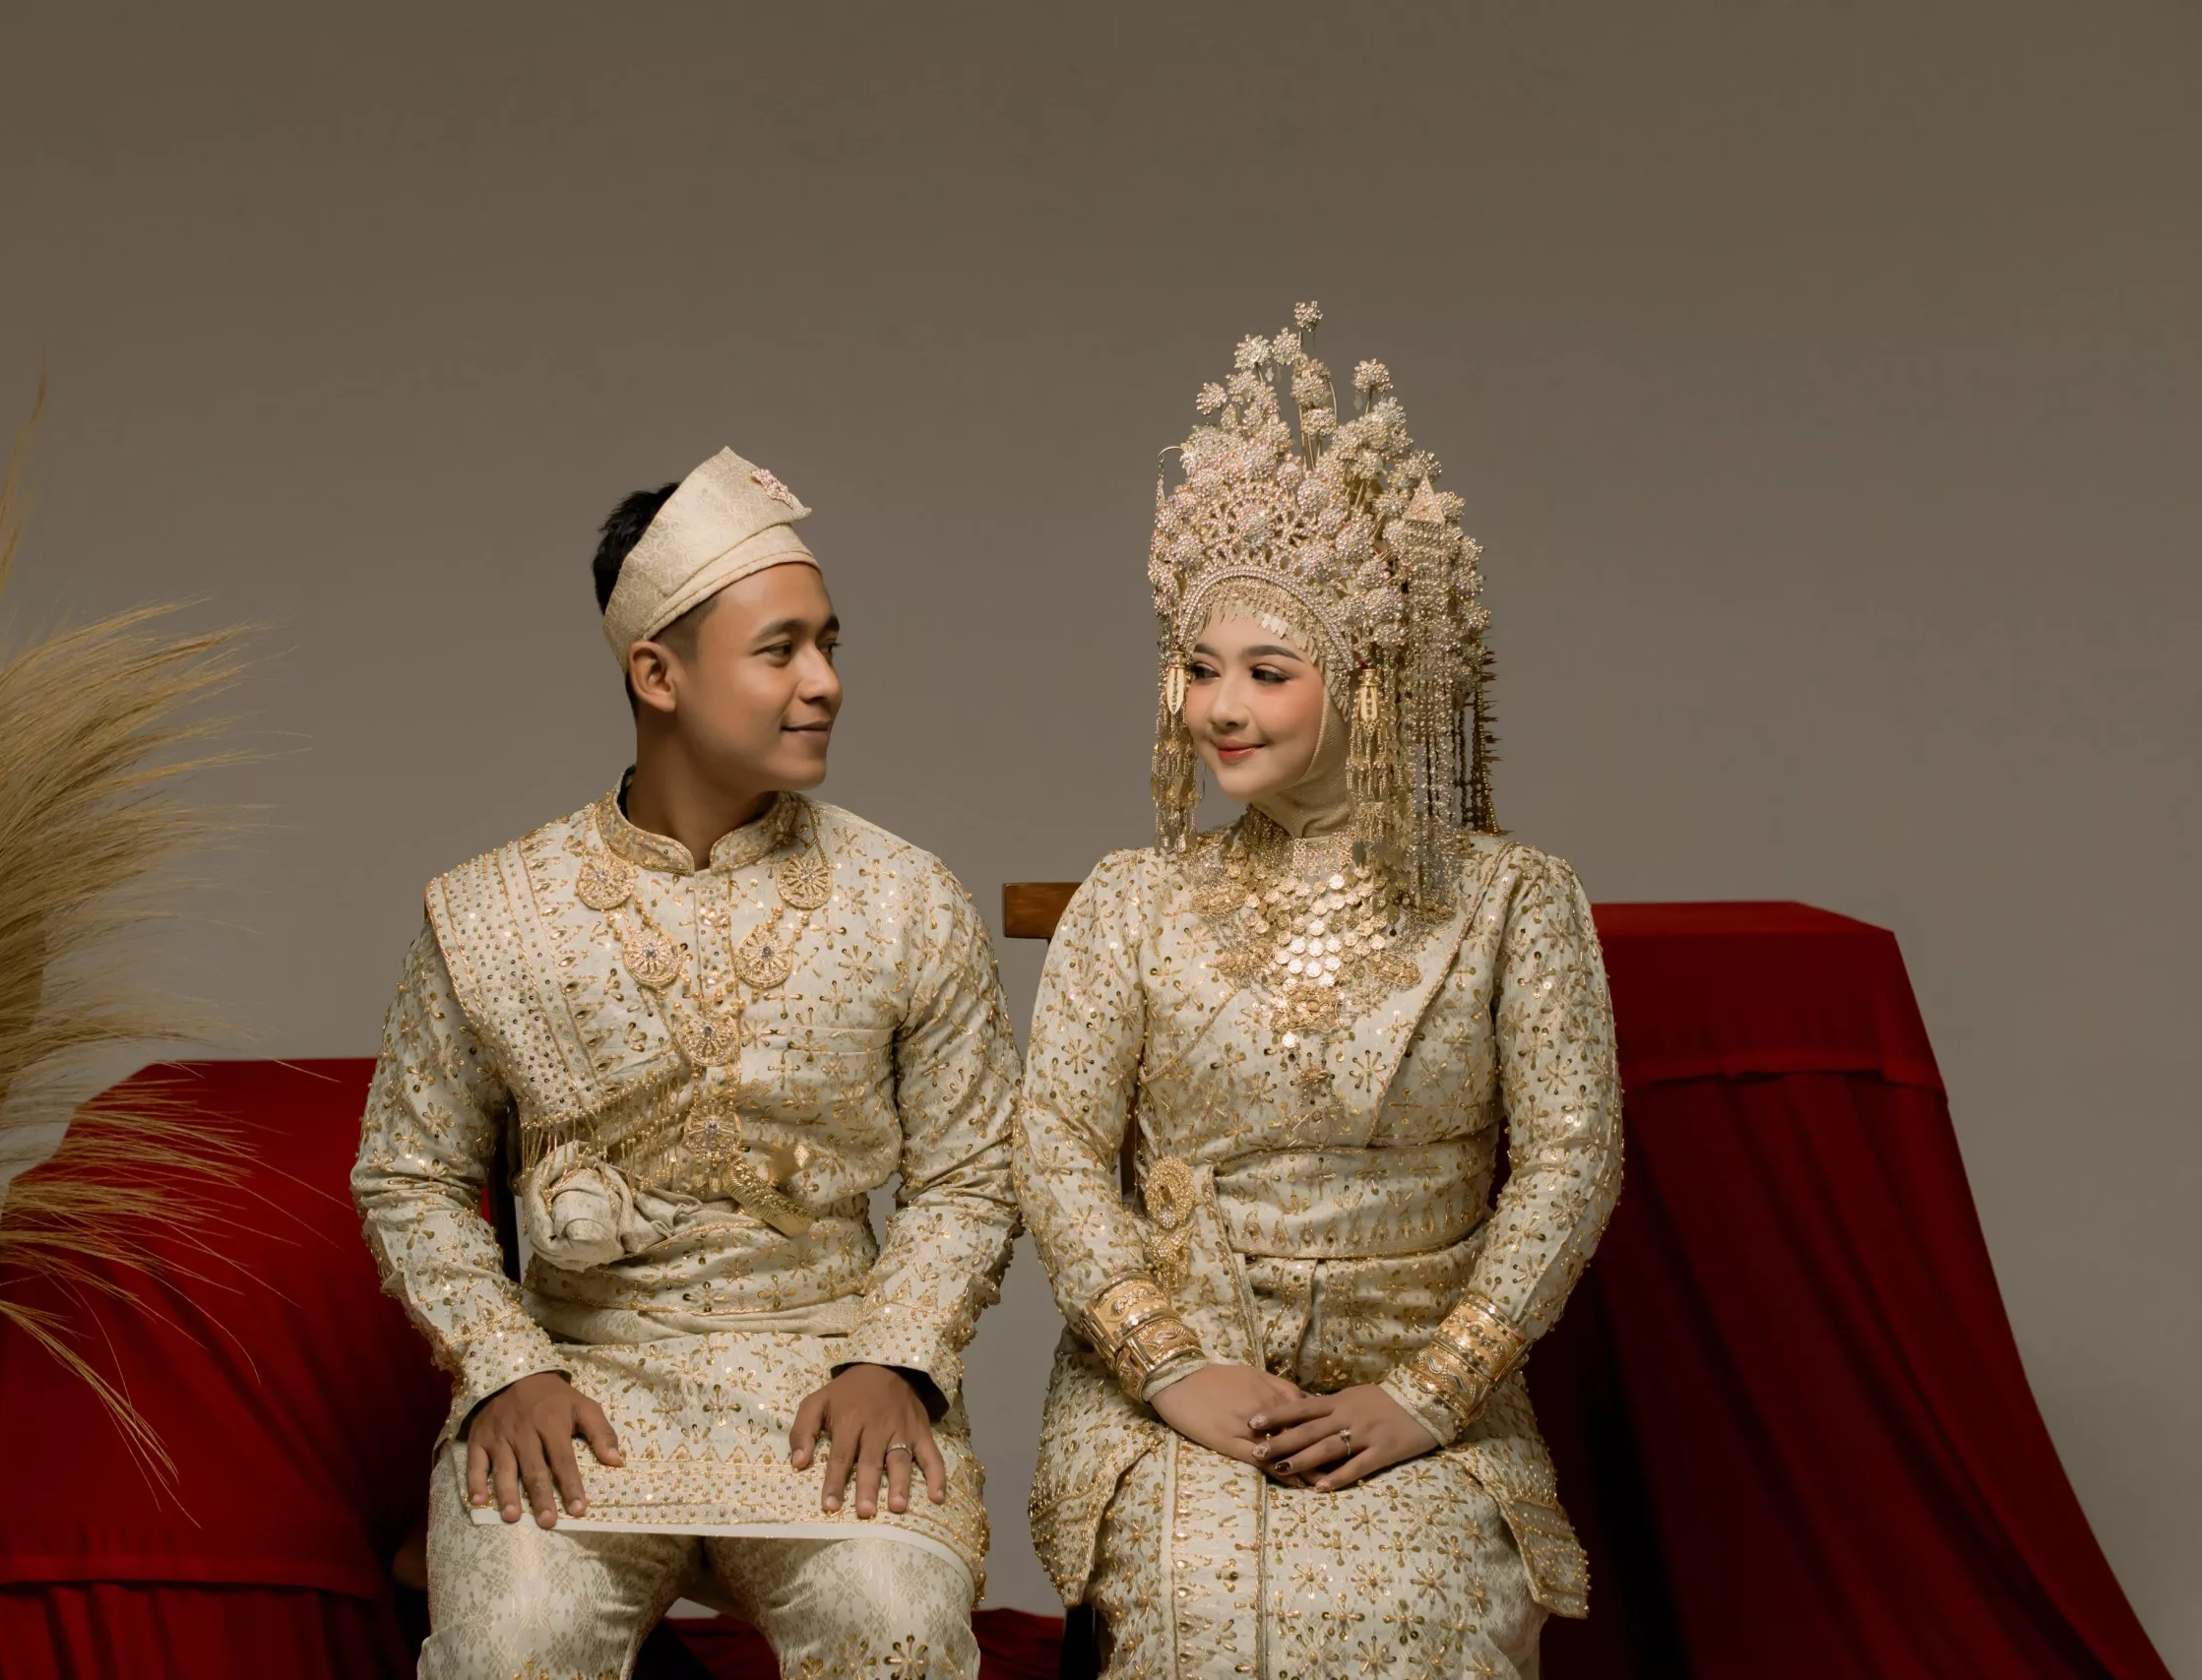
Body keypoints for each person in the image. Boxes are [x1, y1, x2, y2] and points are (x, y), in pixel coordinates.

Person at [1013, 307, 1625, 1678]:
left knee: (1423, 1625)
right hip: (1180, 1385)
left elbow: (1572, 1158)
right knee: (1200, 1620)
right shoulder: (1132, 898)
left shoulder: (1512, 901)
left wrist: (1430, 1391)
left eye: (1265, 673)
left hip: (1425, 1395)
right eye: (1198, 668)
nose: (1217, 707)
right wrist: (1171, 1364)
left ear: (1367, 685)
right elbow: (1051, 1146)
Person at [354, 448, 1018, 1678]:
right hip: (579, 1379)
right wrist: (504, 1370)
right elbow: (410, 1175)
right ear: (656, 673)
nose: (823, 682)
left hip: (830, 1372)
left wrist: (894, 1359)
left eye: (829, 644)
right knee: (515, 1644)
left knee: (894, 1627)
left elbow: (973, 1172)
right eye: (780, 651)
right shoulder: (494, 912)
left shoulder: (905, 899)